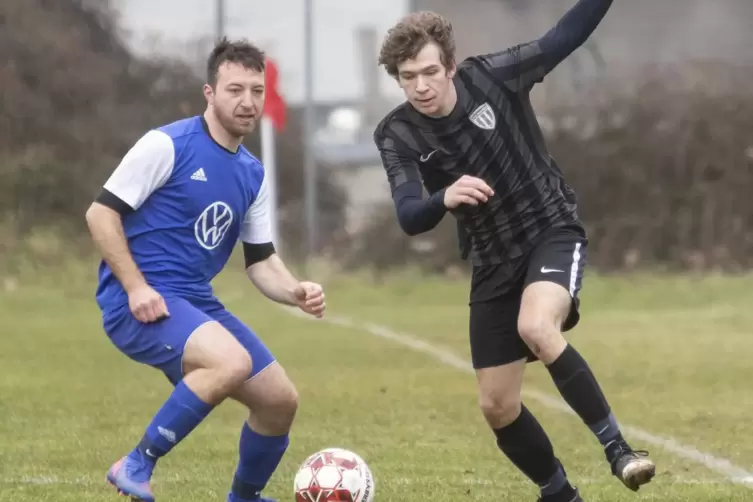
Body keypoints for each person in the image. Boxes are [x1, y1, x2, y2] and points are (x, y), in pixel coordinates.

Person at [373, 3, 655, 501]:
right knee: (497, 406)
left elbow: (562, 37)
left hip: (549, 229)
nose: (421, 86)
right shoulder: (396, 134)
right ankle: (560, 494)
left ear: (451, 67)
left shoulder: (495, 76)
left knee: (536, 326)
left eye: (431, 72)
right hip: (491, 260)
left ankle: (620, 451)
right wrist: (445, 196)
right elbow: (409, 216)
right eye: (408, 76)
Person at [85, 38, 325, 502]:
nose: (248, 101)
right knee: (230, 362)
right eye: (235, 89)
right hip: (136, 300)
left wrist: (295, 290)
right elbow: (100, 214)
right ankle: (135, 463)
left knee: (279, 402)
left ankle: (244, 498)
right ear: (209, 94)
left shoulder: (252, 173)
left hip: (193, 299)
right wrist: (135, 287)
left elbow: (260, 261)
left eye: (256, 90)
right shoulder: (167, 145)